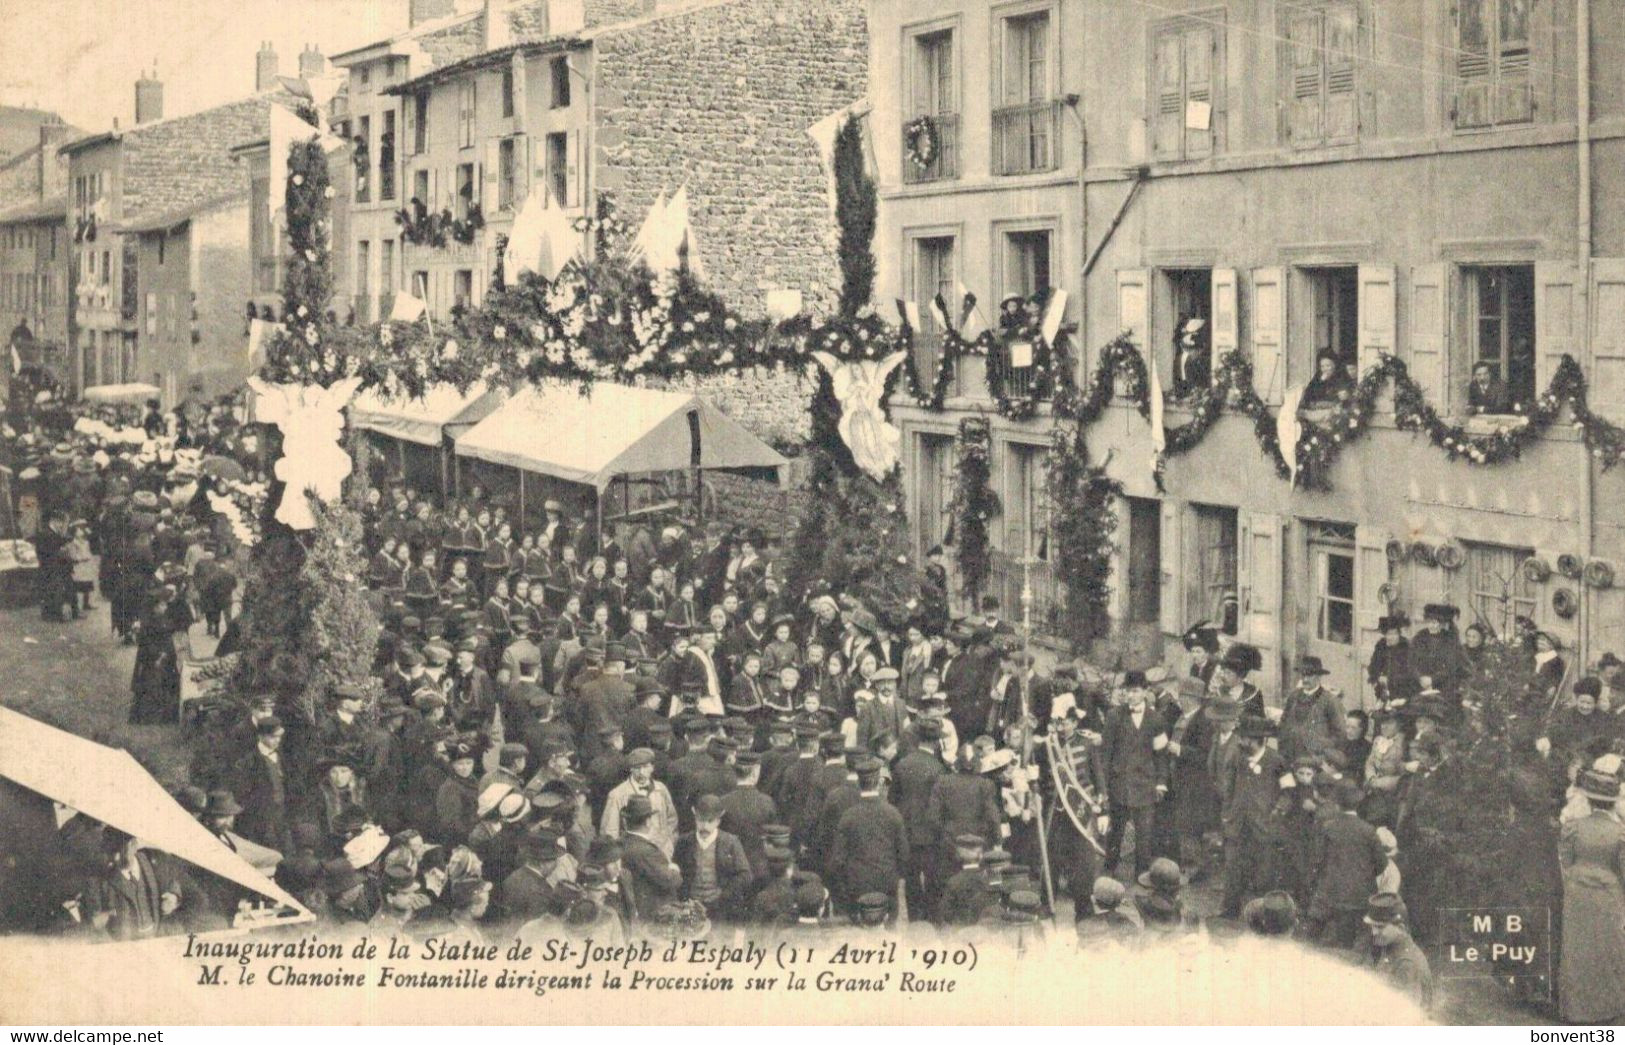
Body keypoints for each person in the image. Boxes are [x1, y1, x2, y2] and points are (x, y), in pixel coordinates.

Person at [1557, 769, 1625, 1024]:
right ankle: (1607, 1008)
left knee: (1577, 950)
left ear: (1587, 798)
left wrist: (1574, 882)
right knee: (1608, 949)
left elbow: (1565, 862)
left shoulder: (1574, 827)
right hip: (1608, 893)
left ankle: (1577, 1010)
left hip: (1577, 893)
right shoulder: (1620, 833)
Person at [1305, 780, 1387, 949]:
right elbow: (1382, 864)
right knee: (1347, 941)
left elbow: (1317, 860)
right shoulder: (1368, 830)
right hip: (1359, 895)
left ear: (1336, 805)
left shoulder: (1328, 828)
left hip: (1329, 891)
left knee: (1312, 937)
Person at [1102, 671, 1167, 878]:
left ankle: (1142, 875)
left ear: (1146, 692)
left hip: (1145, 785)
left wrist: (1161, 783)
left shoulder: (1156, 719)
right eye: (1128, 691)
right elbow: (1106, 755)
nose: (1131, 696)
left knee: (1144, 835)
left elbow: (1161, 755)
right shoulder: (1114, 716)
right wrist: (1103, 787)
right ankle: (1108, 871)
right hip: (1119, 784)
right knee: (1115, 832)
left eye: (1136, 691)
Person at [1362, 892, 1434, 1014]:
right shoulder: (1392, 946)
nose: (1374, 932)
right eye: (1373, 926)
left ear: (1400, 927)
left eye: (1380, 927)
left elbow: (1405, 1015)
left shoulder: (1407, 964)